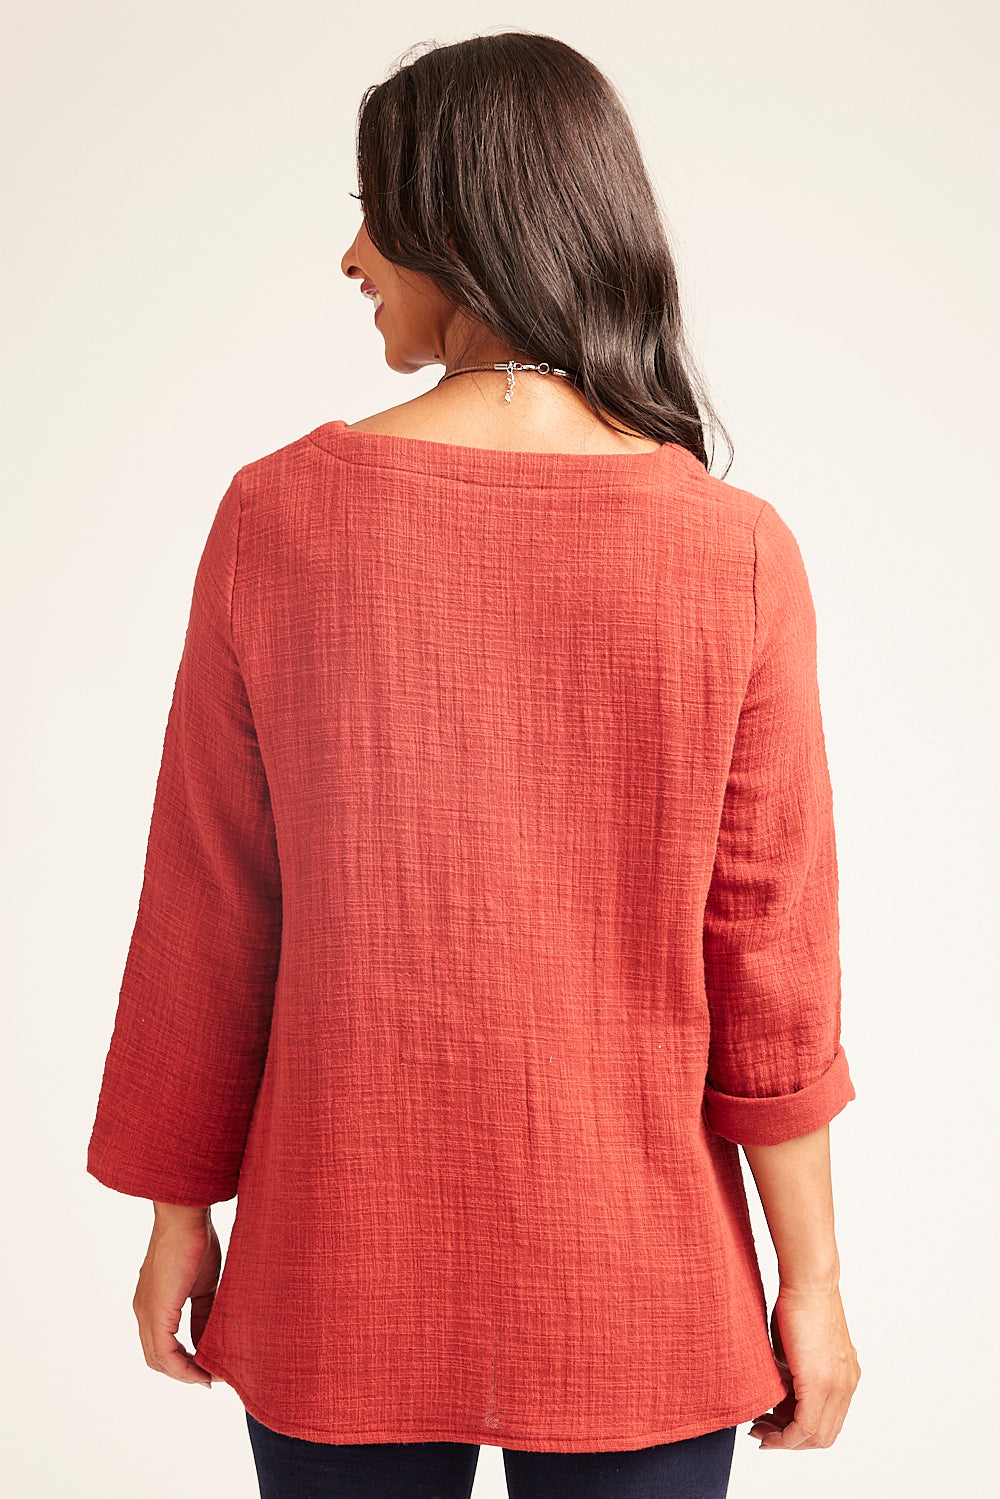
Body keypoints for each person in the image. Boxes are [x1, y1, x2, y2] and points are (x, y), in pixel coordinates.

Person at [87, 29, 861, 1499]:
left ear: (460, 220)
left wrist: (180, 1210)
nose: (349, 257)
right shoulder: (734, 552)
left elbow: (211, 908)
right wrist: (811, 1283)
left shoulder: (276, 519)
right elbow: (770, 960)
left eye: (373, 213)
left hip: (338, 1258)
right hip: (639, 1274)